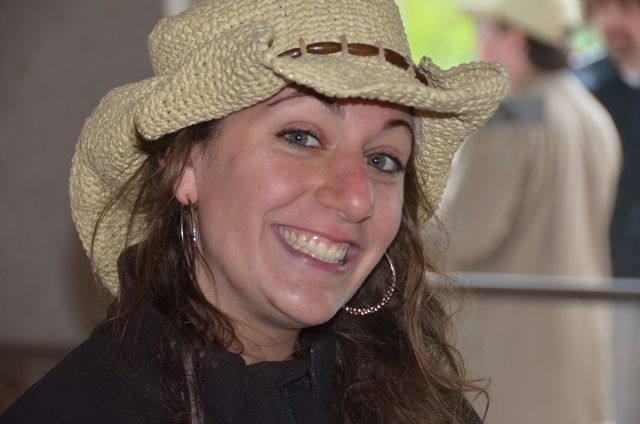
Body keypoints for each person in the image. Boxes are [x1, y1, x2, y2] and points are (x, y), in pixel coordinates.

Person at [0, 0, 508, 423]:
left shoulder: (421, 404)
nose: (358, 198)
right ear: (183, 166)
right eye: (301, 137)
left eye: (382, 160)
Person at [422, 0, 620, 423]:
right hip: (577, 357)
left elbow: (460, 236)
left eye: (486, 28)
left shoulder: (513, 114)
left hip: (509, 361)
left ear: (514, 35)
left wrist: (396, 240)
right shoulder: (591, 114)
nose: (478, 41)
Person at [577, 0, 640, 278]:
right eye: (601, 8)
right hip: (602, 272)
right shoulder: (579, 90)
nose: (611, 21)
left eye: (627, 6)